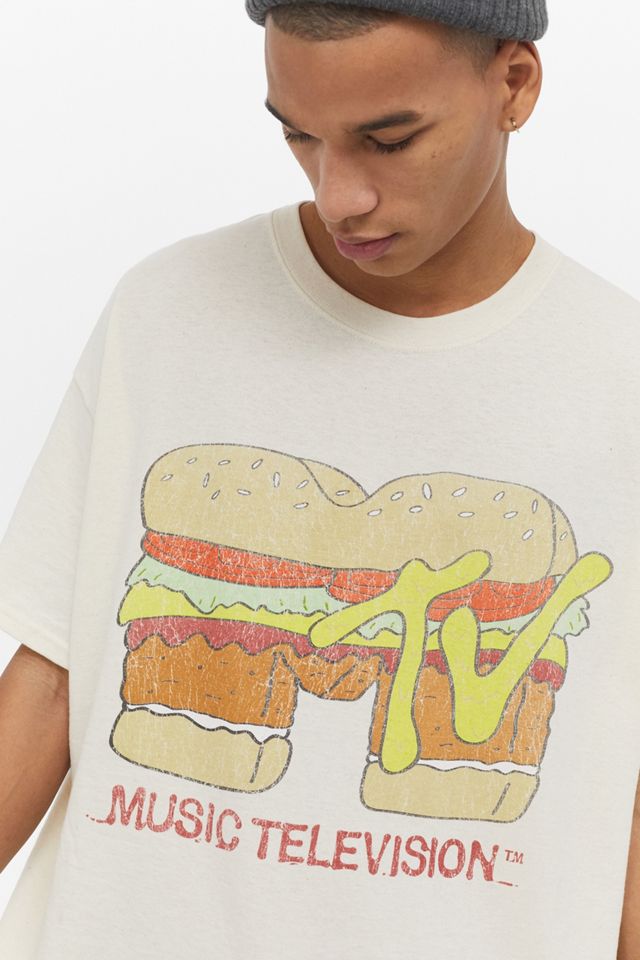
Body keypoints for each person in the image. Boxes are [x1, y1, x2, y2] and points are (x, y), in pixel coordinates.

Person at [0, 0, 638, 957]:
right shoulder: (170, 312)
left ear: (515, 84)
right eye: (299, 134)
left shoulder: (620, 380)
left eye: (389, 140)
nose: (341, 196)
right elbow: (55, 681)